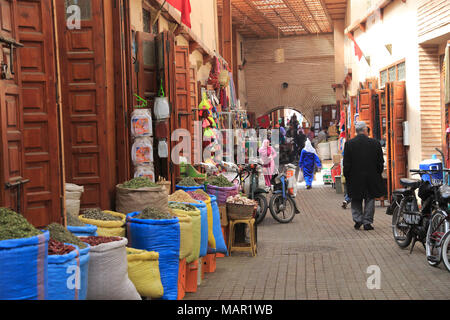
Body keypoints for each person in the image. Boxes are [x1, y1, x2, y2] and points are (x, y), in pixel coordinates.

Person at [343, 121, 385, 231]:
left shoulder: (349, 144)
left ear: (356, 132)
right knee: (370, 198)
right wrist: (378, 173)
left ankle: (358, 220)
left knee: (356, 198)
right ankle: (367, 222)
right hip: (371, 176)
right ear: (365, 130)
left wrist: (347, 176)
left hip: (354, 177)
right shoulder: (375, 143)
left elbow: (346, 163)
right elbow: (380, 162)